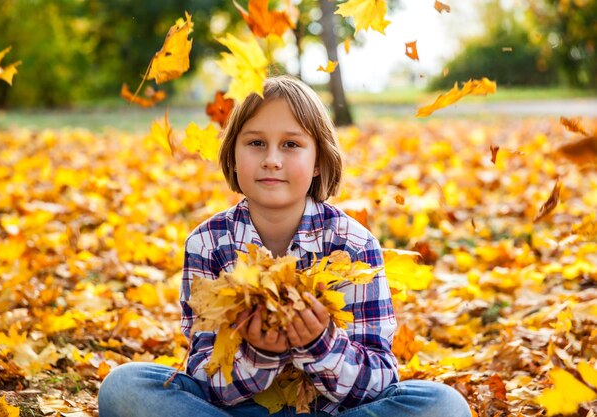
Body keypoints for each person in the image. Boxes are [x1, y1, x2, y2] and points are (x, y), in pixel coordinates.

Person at [98, 75, 471, 417]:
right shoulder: (209, 242)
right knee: (126, 386)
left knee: (443, 406)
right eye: (256, 143)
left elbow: (378, 382)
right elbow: (205, 374)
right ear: (233, 155)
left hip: (333, 411)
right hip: (238, 411)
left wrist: (320, 345)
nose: (272, 160)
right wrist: (260, 354)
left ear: (317, 163)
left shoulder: (353, 244)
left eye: (291, 144)